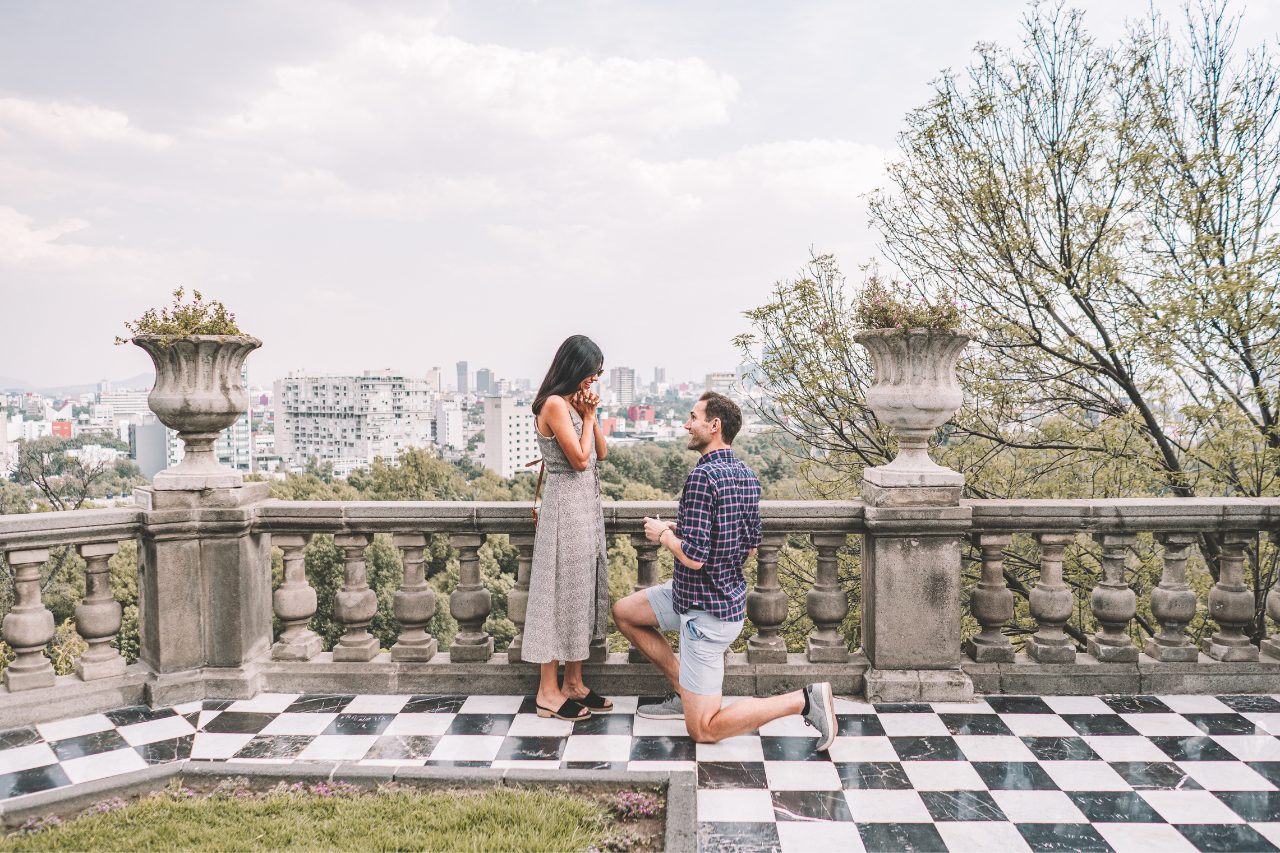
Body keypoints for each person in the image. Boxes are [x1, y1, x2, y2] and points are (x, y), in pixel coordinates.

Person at [612, 392, 837, 748]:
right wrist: (685, 527)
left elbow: (696, 557)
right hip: (702, 597)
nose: (687, 424)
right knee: (624, 612)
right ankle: (683, 689)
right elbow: (748, 544)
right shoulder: (746, 474)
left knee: (703, 729)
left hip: (705, 614)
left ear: (714, 426)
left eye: (693, 417)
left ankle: (804, 700)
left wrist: (664, 534)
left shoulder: (702, 478)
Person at [522, 335, 614, 721]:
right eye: (593, 371)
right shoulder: (555, 404)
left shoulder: (572, 402)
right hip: (565, 509)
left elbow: (602, 453)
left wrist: (589, 414)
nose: (595, 378)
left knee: (581, 593)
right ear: (576, 367)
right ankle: (548, 691)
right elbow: (578, 460)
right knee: (558, 595)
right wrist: (588, 417)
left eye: (599, 372)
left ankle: (574, 682)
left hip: (585, 509)